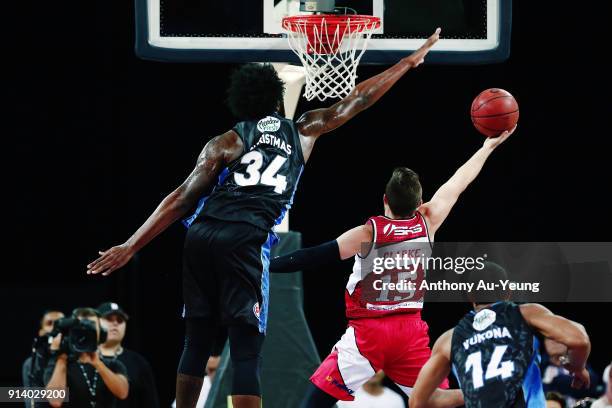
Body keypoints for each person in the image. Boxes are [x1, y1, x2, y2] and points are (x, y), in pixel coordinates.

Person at [86, 27, 443, 408]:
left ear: (243, 101)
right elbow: (356, 101)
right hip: (246, 239)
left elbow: (180, 199)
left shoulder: (226, 141)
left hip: (202, 234)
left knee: (196, 340)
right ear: (277, 98)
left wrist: (131, 244)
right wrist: (406, 63)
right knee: (245, 349)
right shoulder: (302, 128)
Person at [270, 128, 516, 407]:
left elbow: (312, 257)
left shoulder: (369, 233)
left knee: (315, 403)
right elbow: (459, 182)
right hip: (410, 331)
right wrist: (487, 148)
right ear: (420, 203)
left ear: (385, 199)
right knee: (432, 399)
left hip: (369, 334)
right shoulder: (428, 222)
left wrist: (266, 264)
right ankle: (481, 391)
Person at [409, 262, 591, 408]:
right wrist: (576, 368)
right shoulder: (525, 313)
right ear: (507, 292)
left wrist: (481, 389)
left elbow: (418, 401)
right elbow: (579, 339)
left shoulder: (449, 339)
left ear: (470, 296)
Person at [44, 307, 129, 407]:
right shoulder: (57, 364)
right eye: (81, 326)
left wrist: (98, 363)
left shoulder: (113, 364)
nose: (86, 330)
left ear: (101, 333)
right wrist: (62, 357)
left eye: (91, 325)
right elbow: (55, 401)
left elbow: (123, 393)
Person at [97, 302, 160, 408]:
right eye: (108, 319)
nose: (115, 323)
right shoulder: (79, 359)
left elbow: (151, 403)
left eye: (120, 320)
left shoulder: (139, 363)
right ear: (95, 323)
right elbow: (59, 399)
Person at [23, 310, 65, 408]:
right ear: (41, 332)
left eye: (60, 323)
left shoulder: (76, 359)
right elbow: (34, 403)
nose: (56, 328)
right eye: (50, 323)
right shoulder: (32, 363)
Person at [337, 371, 405, 408]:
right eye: (370, 366)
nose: (374, 372)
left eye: (378, 367)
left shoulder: (395, 399)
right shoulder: (346, 396)